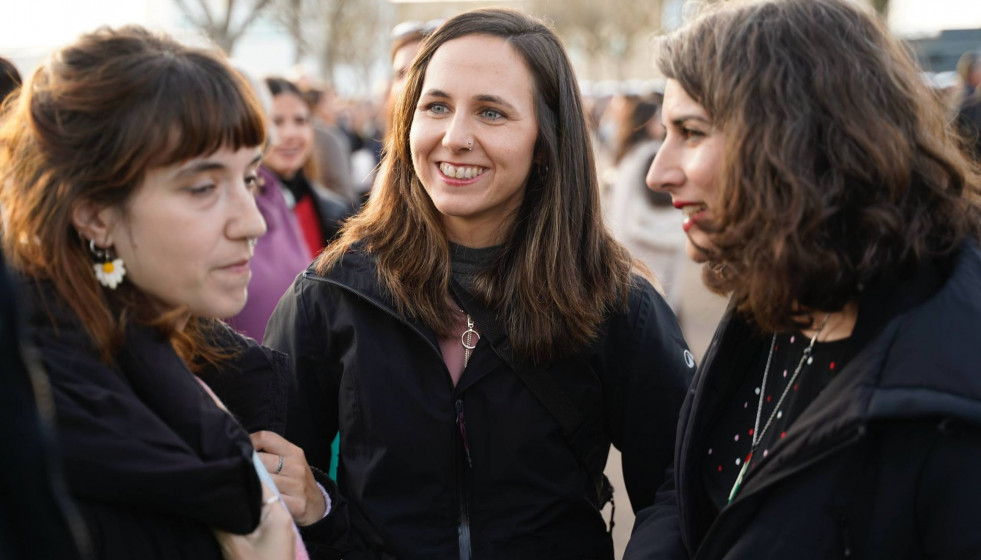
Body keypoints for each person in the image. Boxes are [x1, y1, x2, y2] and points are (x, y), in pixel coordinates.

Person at [264, 8, 694, 560]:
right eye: (436, 106)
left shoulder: (614, 302)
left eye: (491, 112)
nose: (455, 137)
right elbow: (269, 479)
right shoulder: (331, 293)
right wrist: (322, 515)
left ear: (547, 137)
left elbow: (681, 485)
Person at [625, 1, 981, 558]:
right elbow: (691, 487)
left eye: (691, 131)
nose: (657, 172)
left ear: (799, 140)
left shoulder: (951, 395)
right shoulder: (781, 287)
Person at [0, 26, 327, 559]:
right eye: (203, 187)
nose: (252, 222)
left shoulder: (182, 350)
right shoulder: (48, 421)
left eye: (250, 179)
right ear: (95, 214)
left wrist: (319, 509)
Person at [263, 77, 356, 257]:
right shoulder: (239, 216)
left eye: (300, 121)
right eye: (276, 122)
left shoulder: (335, 212)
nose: (290, 133)